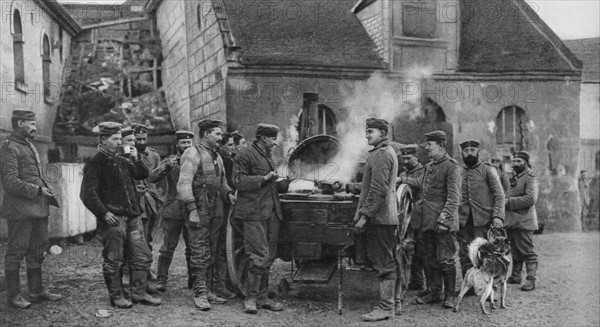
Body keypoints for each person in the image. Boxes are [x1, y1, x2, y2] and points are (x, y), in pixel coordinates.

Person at [80, 122, 162, 308]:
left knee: (142, 255)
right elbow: (87, 194)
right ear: (103, 139)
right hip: (114, 220)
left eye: (119, 138)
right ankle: (117, 297)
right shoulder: (95, 163)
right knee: (114, 259)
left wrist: (135, 158)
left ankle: (139, 293)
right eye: (115, 139)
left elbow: (142, 174)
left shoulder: (122, 160)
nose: (119, 142)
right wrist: (104, 213)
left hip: (133, 217)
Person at [1, 109, 63, 309]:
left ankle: (36, 292)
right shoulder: (9, 148)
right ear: (20, 123)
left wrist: (45, 187)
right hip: (20, 211)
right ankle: (14, 296)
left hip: (38, 209)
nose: (35, 127)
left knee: (37, 251)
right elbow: (10, 182)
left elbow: (33, 175)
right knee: (16, 252)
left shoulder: (28, 145)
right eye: (32, 124)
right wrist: (38, 190)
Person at [177, 119, 235, 310]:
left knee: (213, 250)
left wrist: (229, 194)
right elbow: (183, 184)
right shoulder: (192, 153)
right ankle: (200, 293)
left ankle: (210, 291)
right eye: (217, 134)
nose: (220, 137)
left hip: (216, 209)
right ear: (206, 134)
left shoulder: (217, 157)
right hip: (199, 210)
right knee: (199, 251)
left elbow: (223, 182)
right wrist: (192, 210)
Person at [232, 123, 290, 314]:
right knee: (259, 256)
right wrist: (264, 178)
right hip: (253, 213)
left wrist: (285, 182)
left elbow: (270, 184)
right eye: (273, 139)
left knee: (269, 256)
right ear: (263, 138)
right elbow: (238, 181)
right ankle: (250, 298)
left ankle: (263, 297)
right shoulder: (244, 154)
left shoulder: (266, 154)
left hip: (271, 212)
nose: (275, 143)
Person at [353, 118, 400, 322]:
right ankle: (393, 303)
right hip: (382, 217)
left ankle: (385, 307)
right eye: (366, 131)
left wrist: (364, 216)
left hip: (380, 218)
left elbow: (378, 190)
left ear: (382, 133)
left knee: (384, 262)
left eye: (370, 131)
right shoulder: (379, 152)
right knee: (386, 259)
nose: (367, 135)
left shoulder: (381, 155)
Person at [414, 130, 461, 309]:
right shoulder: (429, 166)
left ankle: (450, 295)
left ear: (441, 145)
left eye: (429, 144)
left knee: (446, 259)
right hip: (427, 221)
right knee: (430, 258)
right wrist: (402, 179)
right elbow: (423, 187)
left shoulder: (452, 166)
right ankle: (434, 292)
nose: (426, 148)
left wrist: (444, 220)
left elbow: (454, 196)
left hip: (443, 223)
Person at [150, 130, 194, 292]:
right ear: (178, 145)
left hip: (191, 210)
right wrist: (166, 167)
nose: (187, 145)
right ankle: (161, 280)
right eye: (183, 143)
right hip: (173, 209)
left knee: (192, 247)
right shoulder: (170, 160)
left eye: (189, 143)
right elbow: (152, 178)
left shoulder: (198, 160)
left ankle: (193, 279)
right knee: (168, 246)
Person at [457, 140, 505, 276]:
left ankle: (487, 287)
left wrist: (497, 216)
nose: (469, 153)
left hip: (483, 219)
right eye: (466, 151)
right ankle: (469, 285)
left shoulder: (488, 169)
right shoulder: (458, 171)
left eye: (473, 150)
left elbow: (499, 194)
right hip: (463, 220)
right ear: (462, 153)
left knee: (486, 252)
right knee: (465, 253)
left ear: (478, 152)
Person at [505, 151, 539, 292]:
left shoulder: (530, 178)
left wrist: (508, 202)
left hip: (524, 220)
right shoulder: (515, 177)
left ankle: (531, 280)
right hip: (513, 220)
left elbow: (531, 199)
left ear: (526, 162)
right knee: (515, 249)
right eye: (514, 161)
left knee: (527, 250)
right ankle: (516, 275)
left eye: (519, 161)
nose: (516, 164)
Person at [398, 144, 426, 293]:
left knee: (421, 252)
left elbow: (420, 184)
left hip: (421, 217)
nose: (406, 161)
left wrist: (403, 180)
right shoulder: (404, 173)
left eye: (409, 158)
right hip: (406, 219)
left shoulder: (424, 171)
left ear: (417, 157)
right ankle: (412, 282)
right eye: (404, 158)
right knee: (408, 250)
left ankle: (421, 283)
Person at [131, 123, 162, 251]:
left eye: (144, 138)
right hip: (133, 200)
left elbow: (158, 178)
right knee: (133, 236)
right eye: (138, 139)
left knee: (147, 235)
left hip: (149, 201)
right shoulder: (127, 155)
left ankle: (146, 268)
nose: (142, 142)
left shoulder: (154, 155)